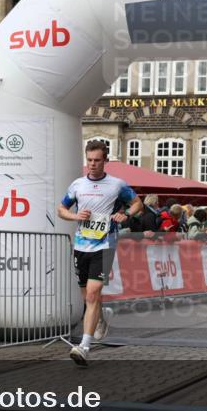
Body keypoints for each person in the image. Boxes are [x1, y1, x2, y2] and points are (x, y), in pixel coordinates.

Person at [57, 140, 143, 367]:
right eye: (89, 160)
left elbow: (137, 203)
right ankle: (101, 317)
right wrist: (75, 217)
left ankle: (84, 347)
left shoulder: (117, 185)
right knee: (87, 297)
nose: (92, 164)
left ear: (105, 161)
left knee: (94, 293)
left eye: (97, 160)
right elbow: (61, 209)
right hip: (81, 245)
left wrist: (126, 214)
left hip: (105, 245)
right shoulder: (77, 185)